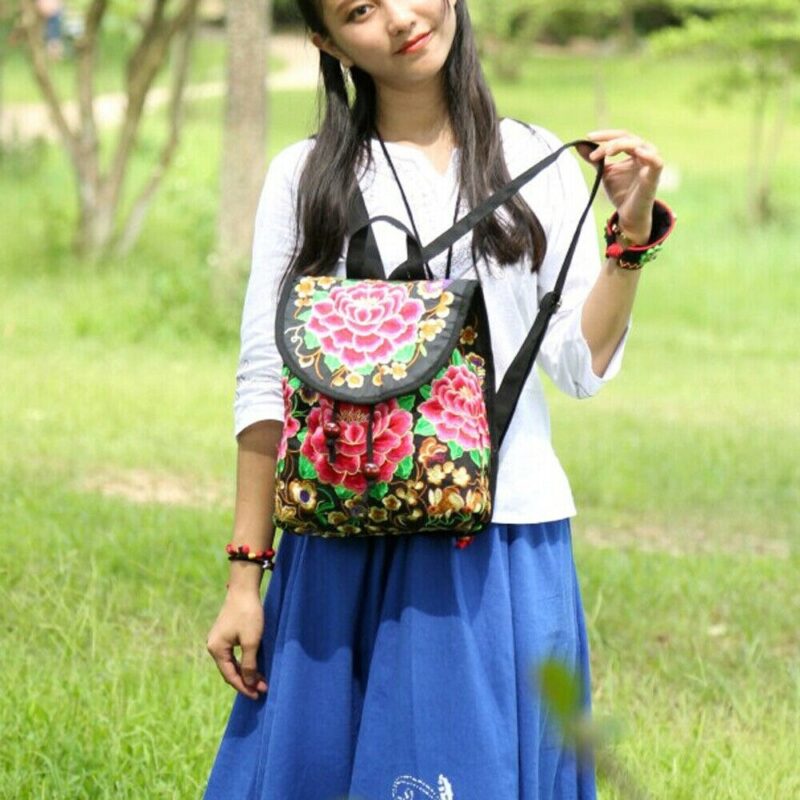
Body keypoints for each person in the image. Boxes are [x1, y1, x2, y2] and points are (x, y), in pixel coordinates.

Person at [204, 1, 670, 798]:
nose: (398, 18)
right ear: (325, 40)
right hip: (342, 541)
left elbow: (580, 364)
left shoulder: (540, 161)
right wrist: (246, 579)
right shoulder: (308, 175)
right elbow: (265, 385)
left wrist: (625, 240)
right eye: (358, 9)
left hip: (501, 542)